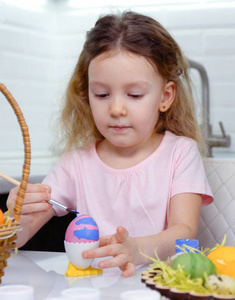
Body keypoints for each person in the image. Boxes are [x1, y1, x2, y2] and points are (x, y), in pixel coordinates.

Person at [6, 11, 213, 277]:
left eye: (134, 94)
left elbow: (184, 231)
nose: (116, 108)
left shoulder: (180, 153)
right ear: (87, 95)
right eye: (102, 94)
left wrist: (136, 249)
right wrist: (17, 216)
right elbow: (18, 240)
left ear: (166, 96)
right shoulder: (75, 164)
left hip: (158, 287)